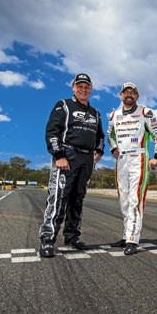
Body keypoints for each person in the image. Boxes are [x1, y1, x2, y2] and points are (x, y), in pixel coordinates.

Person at [39, 73, 105, 258]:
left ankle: (72, 236)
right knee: (59, 198)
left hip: (86, 160)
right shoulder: (63, 105)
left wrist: (98, 152)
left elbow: (100, 137)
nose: (83, 89)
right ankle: (48, 239)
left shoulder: (96, 113)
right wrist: (59, 155)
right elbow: (52, 131)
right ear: (73, 87)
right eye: (80, 86)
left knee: (78, 199)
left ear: (91, 89)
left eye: (86, 86)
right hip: (67, 156)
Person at [107, 82, 157, 255]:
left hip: (138, 158)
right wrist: (113, 148)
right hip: (122, 160)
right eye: (126, 92)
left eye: (133, 92)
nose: (129, 95)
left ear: (137, 96)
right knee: (124, 200)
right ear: (121, 95)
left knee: (135, 199)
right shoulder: (113, 116)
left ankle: (133, 239)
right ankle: (126, 235)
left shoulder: (145, 113)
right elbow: (110, 134)